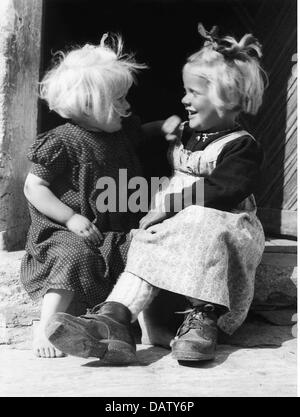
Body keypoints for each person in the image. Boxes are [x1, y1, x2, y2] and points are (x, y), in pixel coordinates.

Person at [45, 24, 266, 364]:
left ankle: (201, 319)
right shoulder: (189, 132)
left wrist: (170, 205)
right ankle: (114, 319)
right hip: (176, 219)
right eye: (185, 91)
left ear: (228, 98)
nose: (183, 99)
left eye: (193, 93)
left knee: (202, 225)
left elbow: (223, 190)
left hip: (224, 224)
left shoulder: (241, 147)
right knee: (148, 236)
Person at [20, 34, 147, 358]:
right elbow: (33, 186)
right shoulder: (62, 141)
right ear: (89, 105)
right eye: (117, 100)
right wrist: (70, 218)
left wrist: (164, 128)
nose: (127, 106)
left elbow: (144, 133)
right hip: (66, 231)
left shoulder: (122, 132)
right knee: (73, 255)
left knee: (144, 252)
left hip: (110, 228)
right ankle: (47, 326)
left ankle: (132, 323)